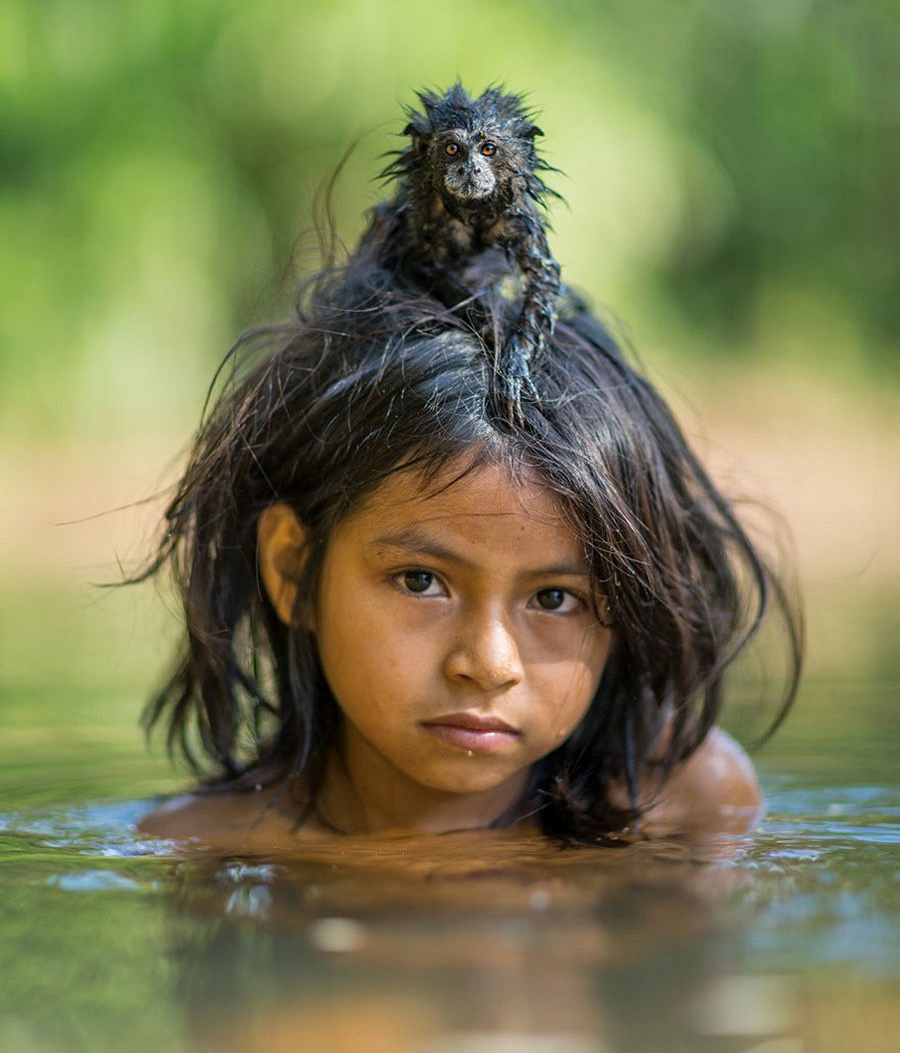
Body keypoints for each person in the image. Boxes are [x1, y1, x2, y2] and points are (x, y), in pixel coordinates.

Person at [138, 101, 801, 849]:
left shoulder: (685, 810)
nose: (488, 665)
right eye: (422, 580)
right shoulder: (207, 847)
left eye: (556, 598)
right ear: (294, 570)